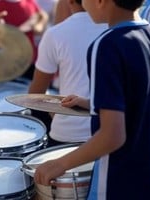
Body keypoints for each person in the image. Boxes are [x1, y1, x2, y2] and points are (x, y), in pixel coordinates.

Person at [34, 0, 150, 199]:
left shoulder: (107, 44)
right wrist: (92, 104)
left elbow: (113, 135)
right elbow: (143, 102)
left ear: (100, 1)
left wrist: (59, 164)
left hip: (119, 182)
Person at [28, 0, 107, 147]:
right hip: (108, 132)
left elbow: (34, 95)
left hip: (66, 133)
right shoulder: (115, 30)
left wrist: (54, 113)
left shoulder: (54, 34)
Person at [0, 0, 49, 80]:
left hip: (30, 60)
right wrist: (20, 30)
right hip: (8, 61)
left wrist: (37, 25)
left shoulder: (30, 2)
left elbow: (42, 16)